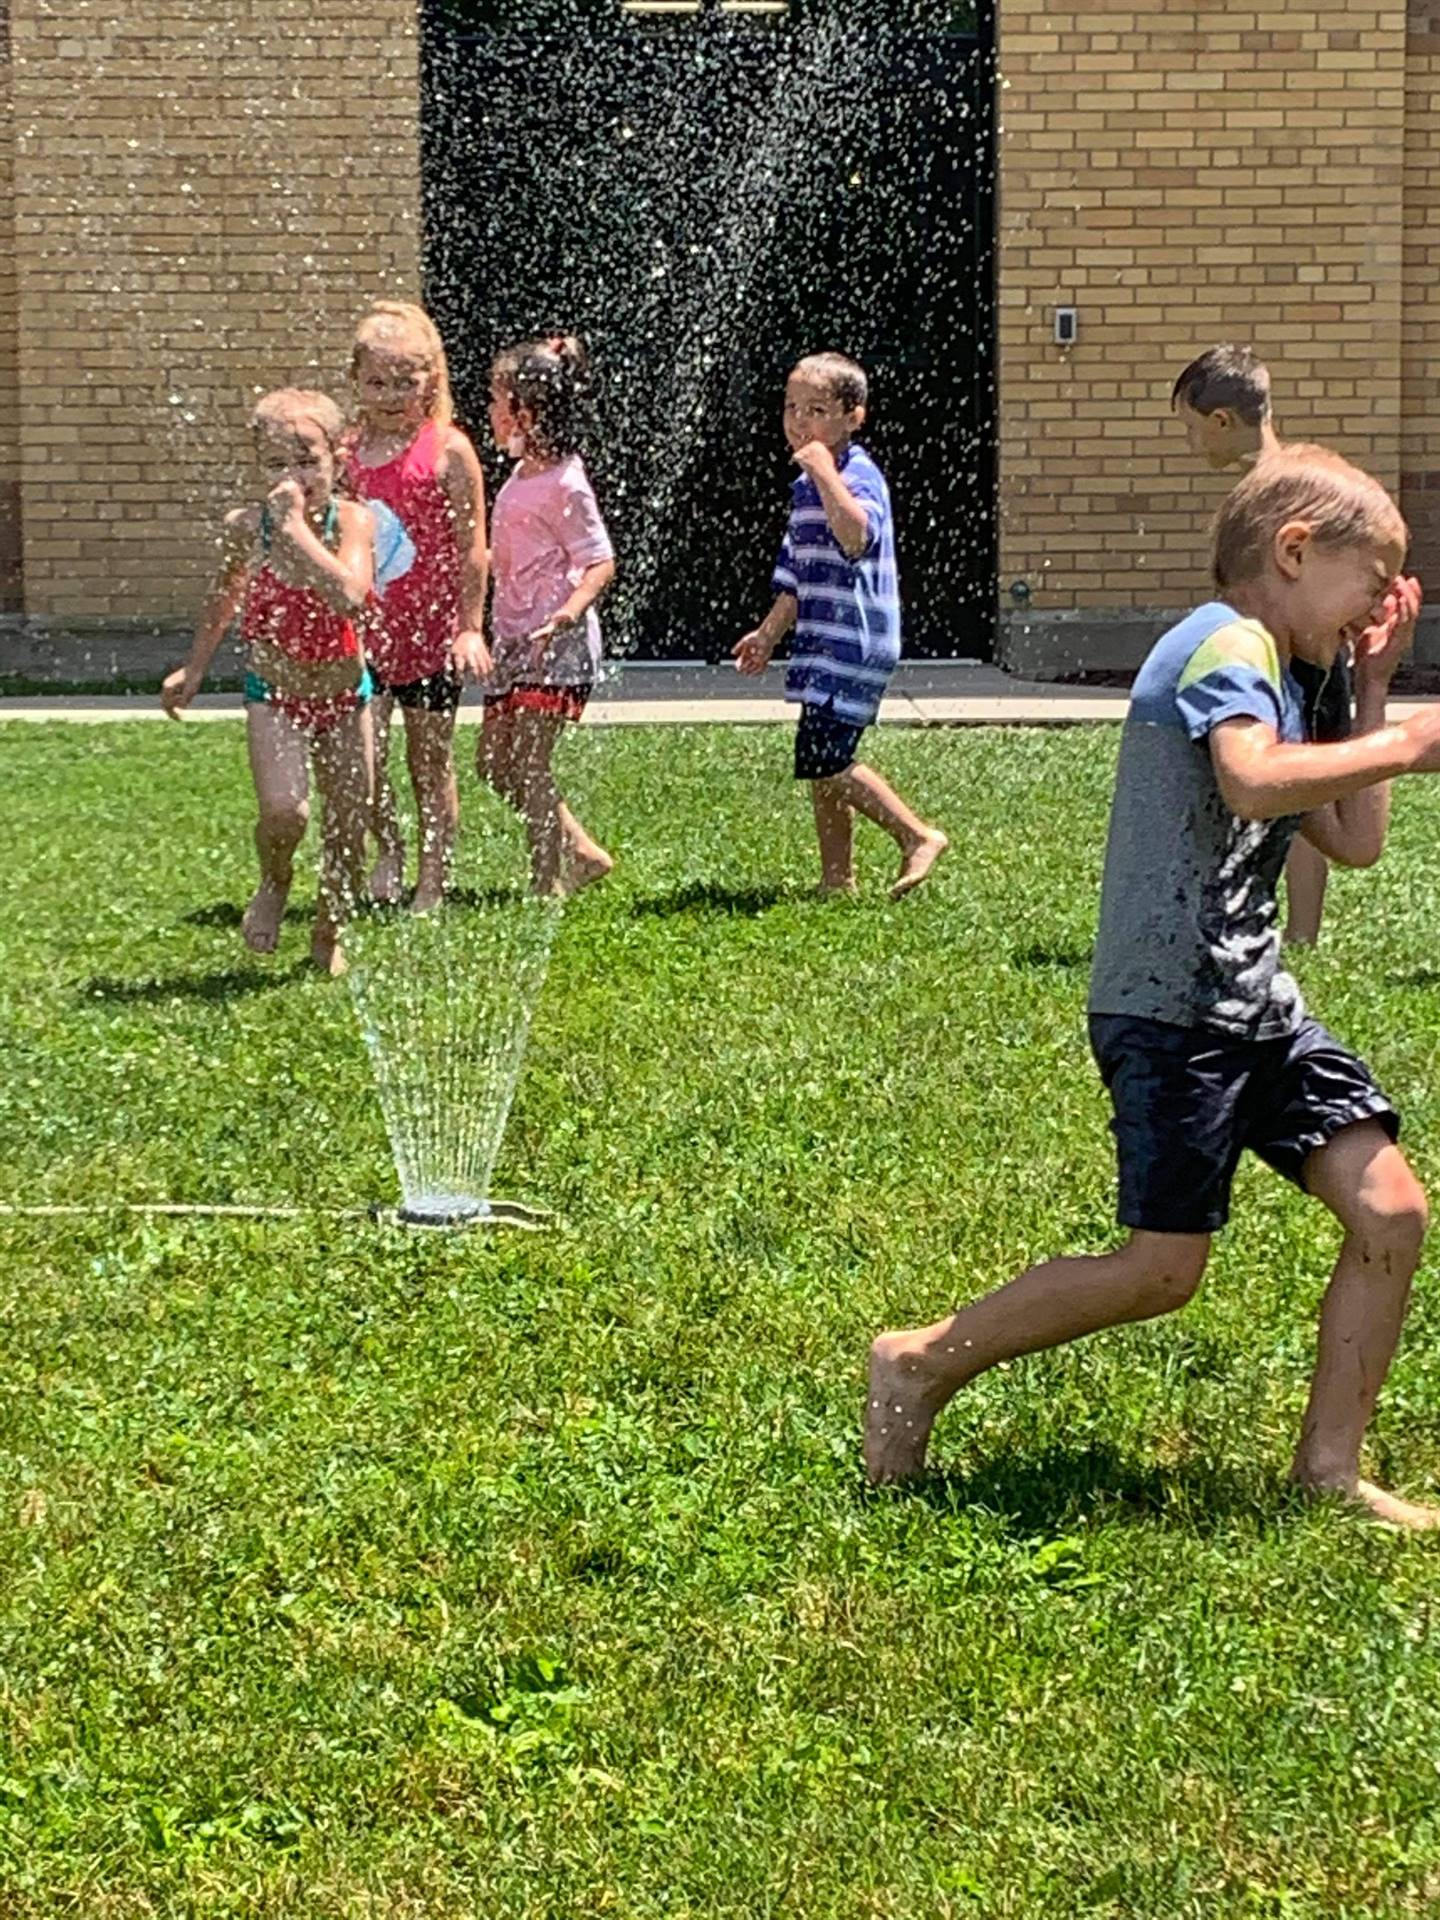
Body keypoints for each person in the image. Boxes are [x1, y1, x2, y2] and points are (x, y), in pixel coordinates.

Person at [866, 445, 1440, 1530]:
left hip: (1255, 1002)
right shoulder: (1222, 645)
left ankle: (1329, 1469)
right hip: (1173, 1006)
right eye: (1374, 578)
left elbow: (1353, 840)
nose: (1384, 602)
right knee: (1161, 1270)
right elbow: (1253, 778)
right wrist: (1411, 743)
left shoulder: (1294, 669)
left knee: (1390, 1209)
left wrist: (1370, 691)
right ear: (1294, 550)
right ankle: (921, 1361)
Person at [161, 389, 375, 975]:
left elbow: (350, 596)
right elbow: (223, 597)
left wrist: (296, 531)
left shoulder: (354, 521)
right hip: (274, 692)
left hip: (343, 693)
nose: (293, 477)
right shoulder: (245, 529)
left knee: (350, 826)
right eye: (277, 465)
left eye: (306, 461)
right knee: (286, 812)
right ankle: (275, 880)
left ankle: (329, 931)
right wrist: (196, 667)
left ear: (338, 459)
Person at [732, 352, 947, 898]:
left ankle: (916, 834)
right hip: (821, 640)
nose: (799, 422)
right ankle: (836, 881)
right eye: (791, 408)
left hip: (857, 639)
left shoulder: (857, 475)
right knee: (820, 756)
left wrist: (827, 475)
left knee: (826, 757)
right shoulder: (806, 487)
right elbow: (796, 576)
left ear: (855, 417)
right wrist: (767, 634)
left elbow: (856, 538)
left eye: (818, 410)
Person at [1172, 343, 1347, 944]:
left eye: (1192, 429)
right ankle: (1293, 931)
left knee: (1295, 795)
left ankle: (1300, 936)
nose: (1192, 444)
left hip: (1299, 658)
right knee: (1292, 796)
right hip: (1290, 655)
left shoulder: (1270, 495)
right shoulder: (1300, 476)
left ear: (1222, 421)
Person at [346, 300, 490, 912]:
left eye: (406, 381)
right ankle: (391, 849)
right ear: (355, 381)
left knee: (430, 763)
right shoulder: (347, 454)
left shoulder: (448, 450)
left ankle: (433, 880)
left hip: (430, 637)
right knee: (366, 762)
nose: (390, 394)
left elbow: (474, 546)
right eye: (377, 382)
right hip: (365, 637)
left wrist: (468, 627)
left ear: (432, 380)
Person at [468, 334, 615, 897]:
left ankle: (544, 879)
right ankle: (579, 850)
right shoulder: (524, 475)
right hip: (514, 639)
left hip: (554, 645)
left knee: (529, 763)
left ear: (523, 413)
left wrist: (568, 613)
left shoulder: (566, 482)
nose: (490, 413)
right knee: (493, 764)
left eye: (495, 402)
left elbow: (600, 561)